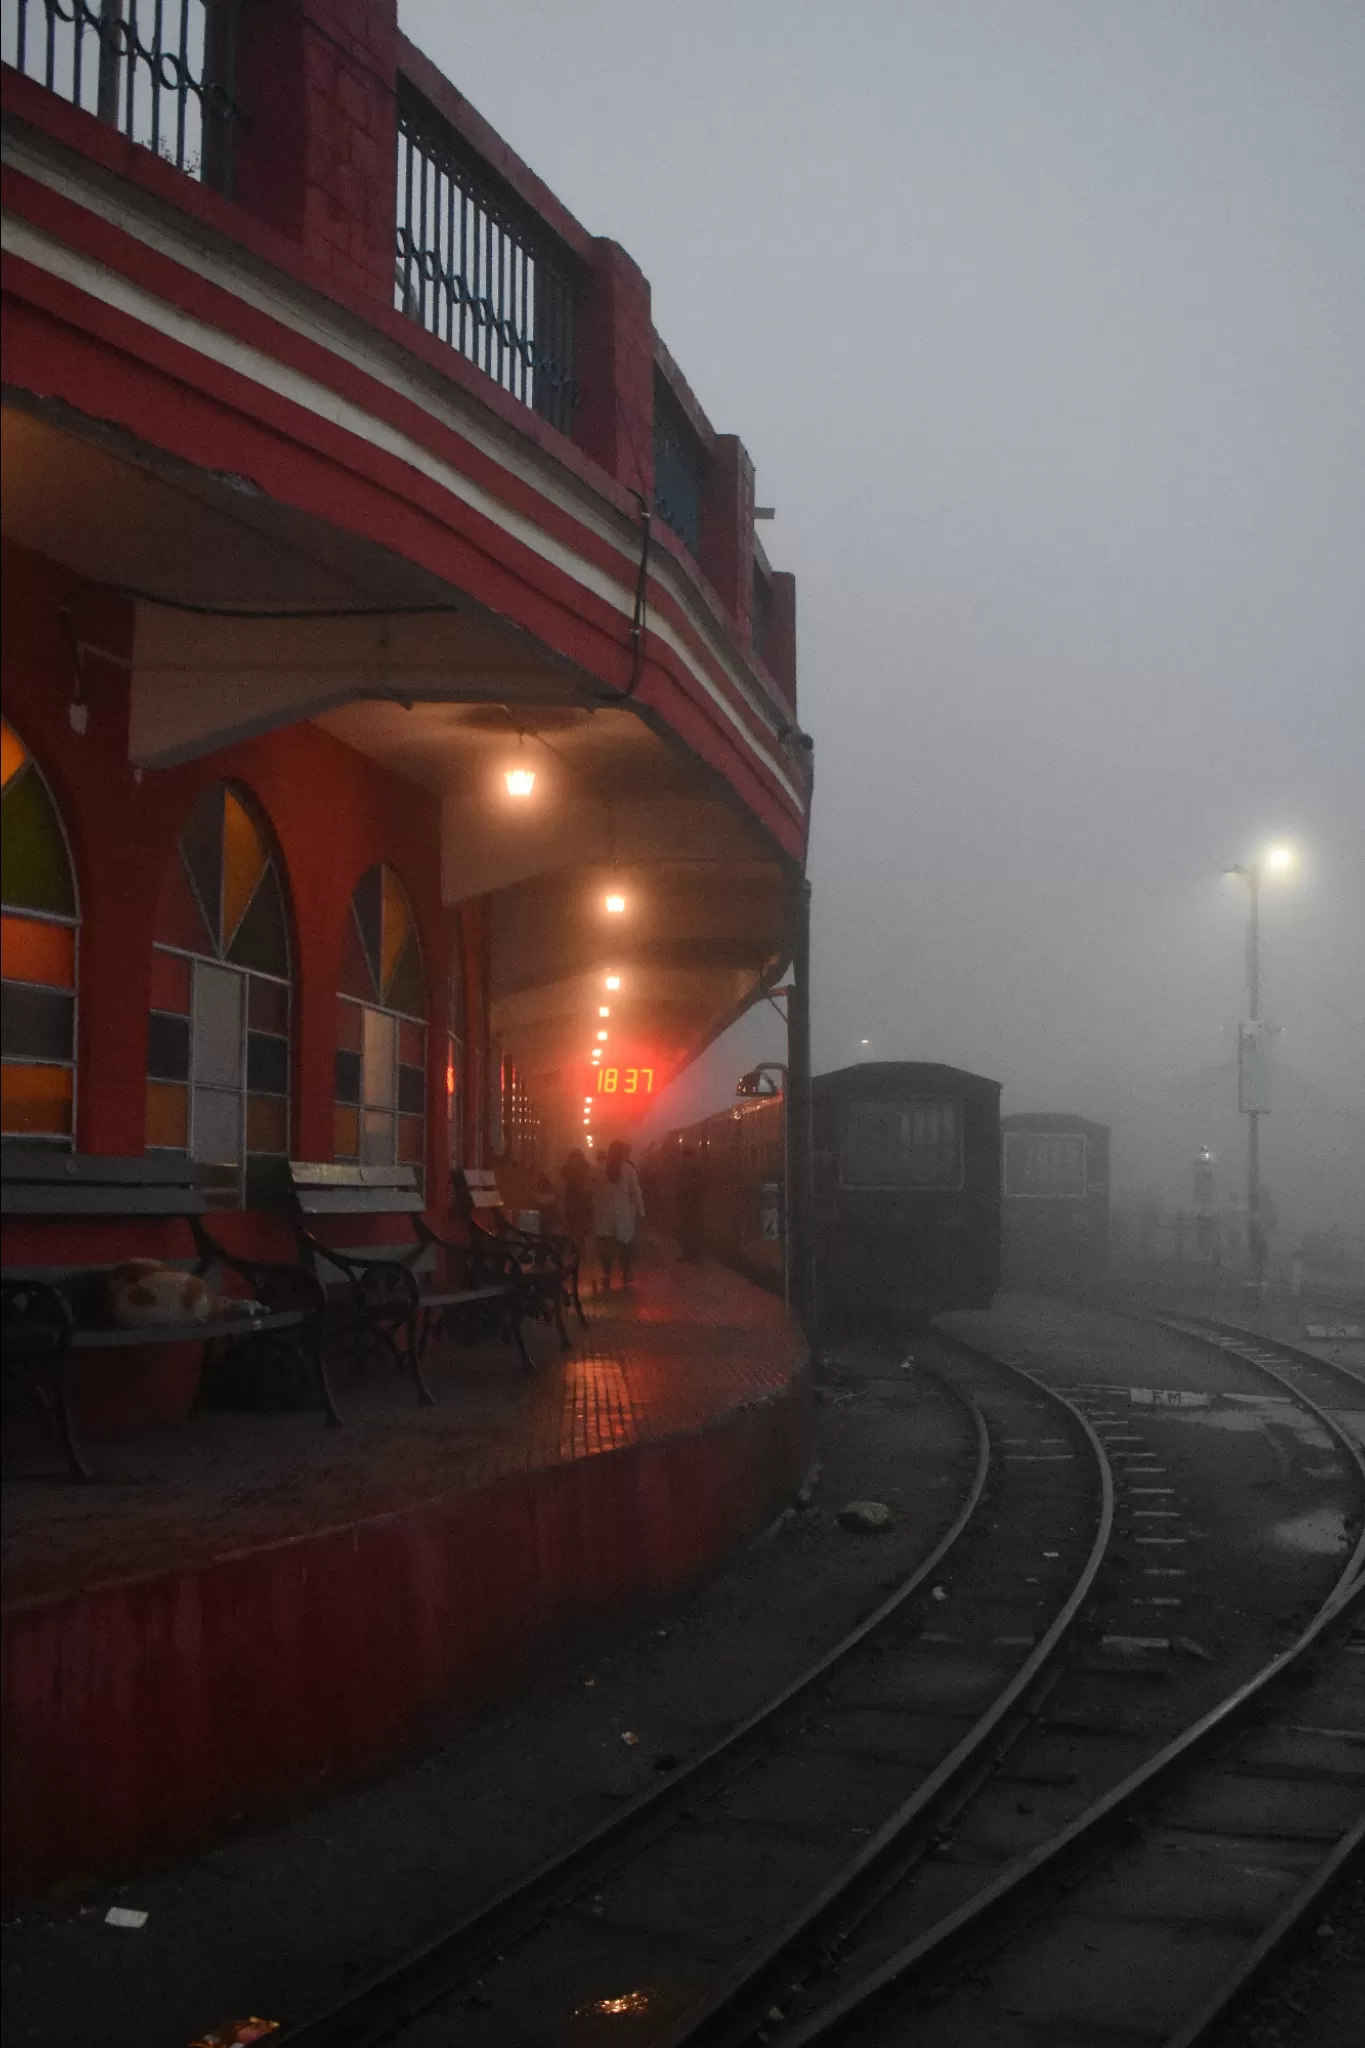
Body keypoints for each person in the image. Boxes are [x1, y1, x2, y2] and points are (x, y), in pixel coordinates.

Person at [594, 1139, 645, 1290]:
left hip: (603, 1214)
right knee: (624, 1244)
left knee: (605, 1245)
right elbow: (636, 1192)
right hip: (623, 1215)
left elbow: (592, 1189)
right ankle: (626, 1273)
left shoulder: (598, 1169)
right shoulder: (628, 1169)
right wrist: (641, 1210)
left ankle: (607, 1272)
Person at [561, 1148, 593, 1266]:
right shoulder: (584, 1167)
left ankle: (573, 1251)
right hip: (580, 1202)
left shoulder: (569, 1168)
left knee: (574, 1228)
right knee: (579, 1229)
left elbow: (563, 1178)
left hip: (574, 1202)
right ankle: (580, 1253)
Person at [676, 1145, 705, 1264]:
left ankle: (688, 1254)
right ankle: (693, 1255)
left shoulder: (687, 1167)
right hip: (694, 1201)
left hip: (688, 1201)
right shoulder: (697, 1166)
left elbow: (682, 1184)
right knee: (693, 1229)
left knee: (687, 1228)